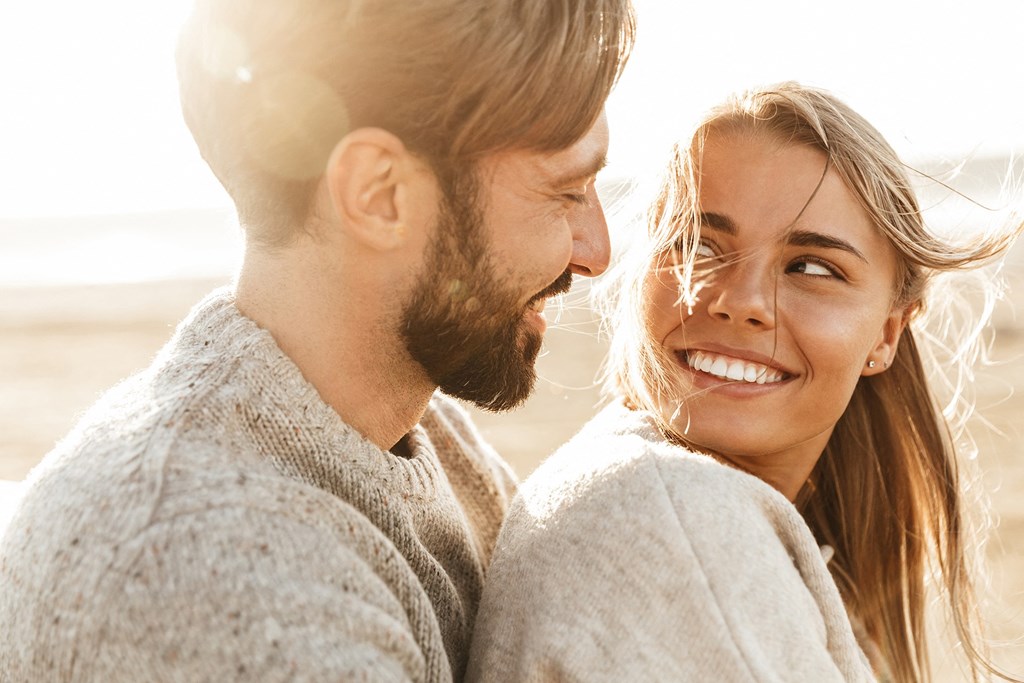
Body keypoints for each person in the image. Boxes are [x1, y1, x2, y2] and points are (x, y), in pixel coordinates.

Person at [0, 1, 635, 681]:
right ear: (378, 193)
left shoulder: (417, 430)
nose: (596, 251)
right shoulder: (215, 579)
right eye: (565, 192)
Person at [467, 83, 1023, 682]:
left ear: (886, 335)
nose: (741, 302)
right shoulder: (676, 518)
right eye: (698, 245)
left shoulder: (684, 503)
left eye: (811, 267)